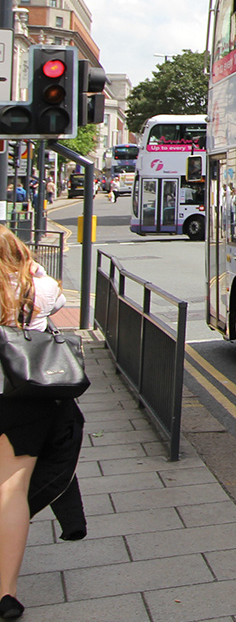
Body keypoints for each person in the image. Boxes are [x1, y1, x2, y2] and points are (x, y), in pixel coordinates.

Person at [0, 226, 73, 618]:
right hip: (23, 399)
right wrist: (35, 273)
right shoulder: (34, 291)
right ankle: (5, 593)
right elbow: (58, 296)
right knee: (10, 491)